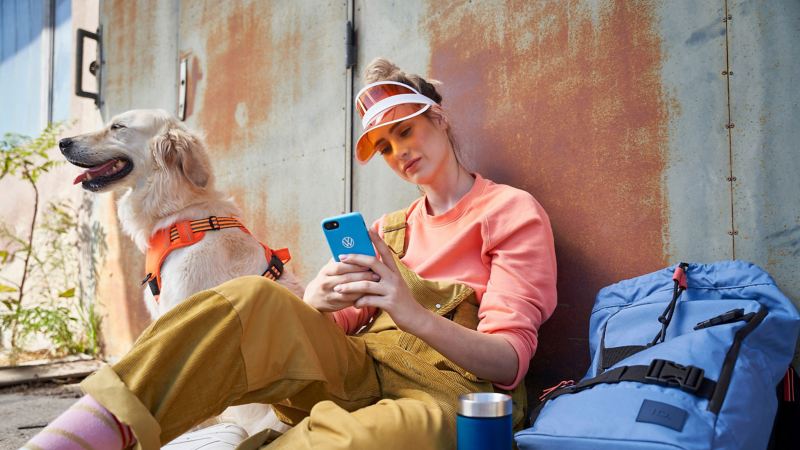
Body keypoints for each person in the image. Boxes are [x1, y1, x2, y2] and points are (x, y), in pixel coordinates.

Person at [23, 58, 557, 450]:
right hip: (361, 368)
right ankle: (86, 434)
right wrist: (320, 301)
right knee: (251, 295)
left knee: (341, 440)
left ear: (438, 119)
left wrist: (409, 311)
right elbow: (343, 325)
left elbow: (508, 363)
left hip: (451, 396)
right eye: (385, 146)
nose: (399, 153)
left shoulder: (508, 212)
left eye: (405, 131)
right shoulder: (386, 229)